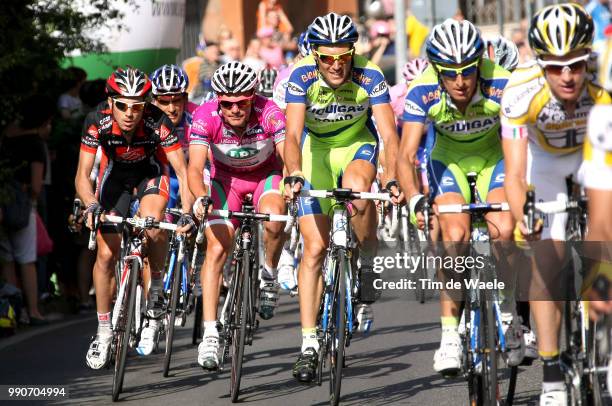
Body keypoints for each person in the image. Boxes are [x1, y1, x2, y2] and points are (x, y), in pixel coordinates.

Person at [397, 18, 520, 378]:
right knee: (454, 239)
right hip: (447, 160)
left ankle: (510, 313)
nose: (461, 81)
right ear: (437, 69)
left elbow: (519, 146)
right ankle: (449, 335)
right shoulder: (423, 90)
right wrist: (414, 200)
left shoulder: (502, 82)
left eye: (468, 71)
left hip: (495, 158)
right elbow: (406, 156)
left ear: (479, 63)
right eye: (450, 74)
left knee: (503, 230)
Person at [500, 4, 610, 404]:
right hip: (543, 163)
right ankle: (551, 377)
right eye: (556, 67)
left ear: (588, 60)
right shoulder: (520, 91)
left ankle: (606, 343)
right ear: (540, 63)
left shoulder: (605, 82)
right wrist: (525, 215)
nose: (567, 76)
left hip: (593, 153)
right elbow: (514, 175)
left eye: (576, 66)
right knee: (547, 258)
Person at [283, 12, 400, 383]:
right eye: (327, 57)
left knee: (358, 191)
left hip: (356, 146)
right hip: (315, 152)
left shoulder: (371, 75)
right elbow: (291, 134)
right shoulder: (299, 76)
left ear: (352, 52)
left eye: (343, 56)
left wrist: (392, 177)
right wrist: (293, 173)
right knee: (314, 249)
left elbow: (389, 135)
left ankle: (366, 258)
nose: (336, 65)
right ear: (314, 55)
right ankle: (307, 344)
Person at [76, 67, 194, 369]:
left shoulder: (158, 121)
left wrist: (189, 212)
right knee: (105, 253)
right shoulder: (96, 121)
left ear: (146, 105)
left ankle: (155, 290)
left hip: (150, 175)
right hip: (115, 179)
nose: (130, 113)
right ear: (110, 102)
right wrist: (90, 204)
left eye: (138, 107)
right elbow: (82, 175)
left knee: (154, 225)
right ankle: (103, 331)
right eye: (123, 105)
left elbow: (183, 171)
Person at [188, 62, 287, 370]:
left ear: (252, 97)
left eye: (241, 102)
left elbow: (287, 154)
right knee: (216, 248)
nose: (234, 109)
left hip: (264, 177)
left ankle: (269, 273)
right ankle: (210, 334)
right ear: (218, 99)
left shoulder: (269, 111)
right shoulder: (205, 116)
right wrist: (201, 197)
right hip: (224, 182)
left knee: (274, 219)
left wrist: (293, 177)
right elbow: (194, 167)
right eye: (227, 103)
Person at [0, 95, 53, 326]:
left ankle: (14, 312)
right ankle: (33, 311)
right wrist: (30, 197)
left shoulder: (4, 138)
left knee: (7, 260)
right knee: (27, 260)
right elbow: (36, 185)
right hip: (23, 208)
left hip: (2, 205)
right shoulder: (35, 144)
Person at [150, 64, 198, 210]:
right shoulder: (146, 119)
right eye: (164, 102)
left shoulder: (197, 116)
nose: (171, 109)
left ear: (185, 98)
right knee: (161, 217)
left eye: (176, 100)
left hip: (193, 175)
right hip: (163, 175)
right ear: (154, 101)